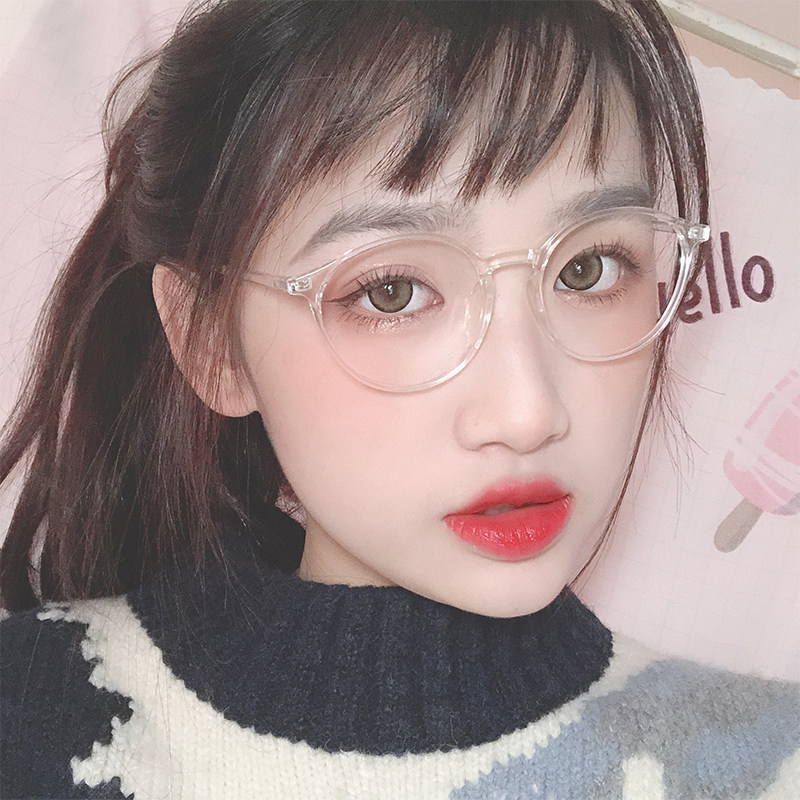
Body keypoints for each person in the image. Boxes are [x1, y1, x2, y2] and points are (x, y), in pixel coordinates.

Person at [1, 1, 798, 797]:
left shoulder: (768, 764)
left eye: (588, 270)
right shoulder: (27, 724)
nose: (528, 414)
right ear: (211, 340)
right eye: (392, 291)